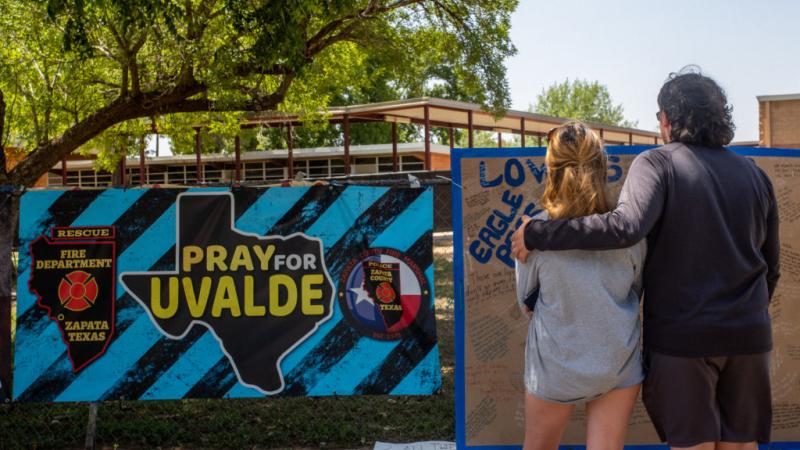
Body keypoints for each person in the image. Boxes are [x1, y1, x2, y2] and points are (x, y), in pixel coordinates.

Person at [511, 66, 780, 450]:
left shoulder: (657, 163)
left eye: (658, 117)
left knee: (695, 444)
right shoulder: (756, 175)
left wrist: (538, 232)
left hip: (684, 339)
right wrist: (746, 312)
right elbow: (772, 266)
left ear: (668, 119)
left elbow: (625, 227)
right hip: (750, 335)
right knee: (741, 445)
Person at [515, 121, 645, 450]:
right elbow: (638, 290)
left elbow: (526, 302)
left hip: (555, 364)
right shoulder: (630, 233)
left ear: (551, 170)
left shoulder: (534, 232)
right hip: (618, 362)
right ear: (602, 168)